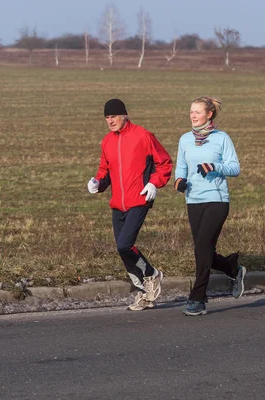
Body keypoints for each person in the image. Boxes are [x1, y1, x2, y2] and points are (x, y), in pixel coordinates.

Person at [88, 99, 173, 311]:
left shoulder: (143, 135)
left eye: (114, 116)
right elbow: (104, 171)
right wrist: (97, 183)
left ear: (124, 115)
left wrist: (154, 183)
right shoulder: (107, 141)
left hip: (140, 199)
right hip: (118, 203)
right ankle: (144, 293)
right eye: (107, 118)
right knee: (123, 250)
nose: (110, 121)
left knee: (125, 244)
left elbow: (164, 163)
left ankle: (152, 275)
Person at [174, 96, 245, 316]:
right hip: (193, 200)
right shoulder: (185, 139)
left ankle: (198, 298)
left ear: (209, 114)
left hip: (216, 199)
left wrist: (214, 166)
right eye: (191, 111)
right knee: (203, 249)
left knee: (202, 246)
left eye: (197, 111)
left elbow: (234, 168)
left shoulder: (221, 138)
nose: (192, 115)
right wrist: (179, 181)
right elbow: (181, 167)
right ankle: (232, 267)